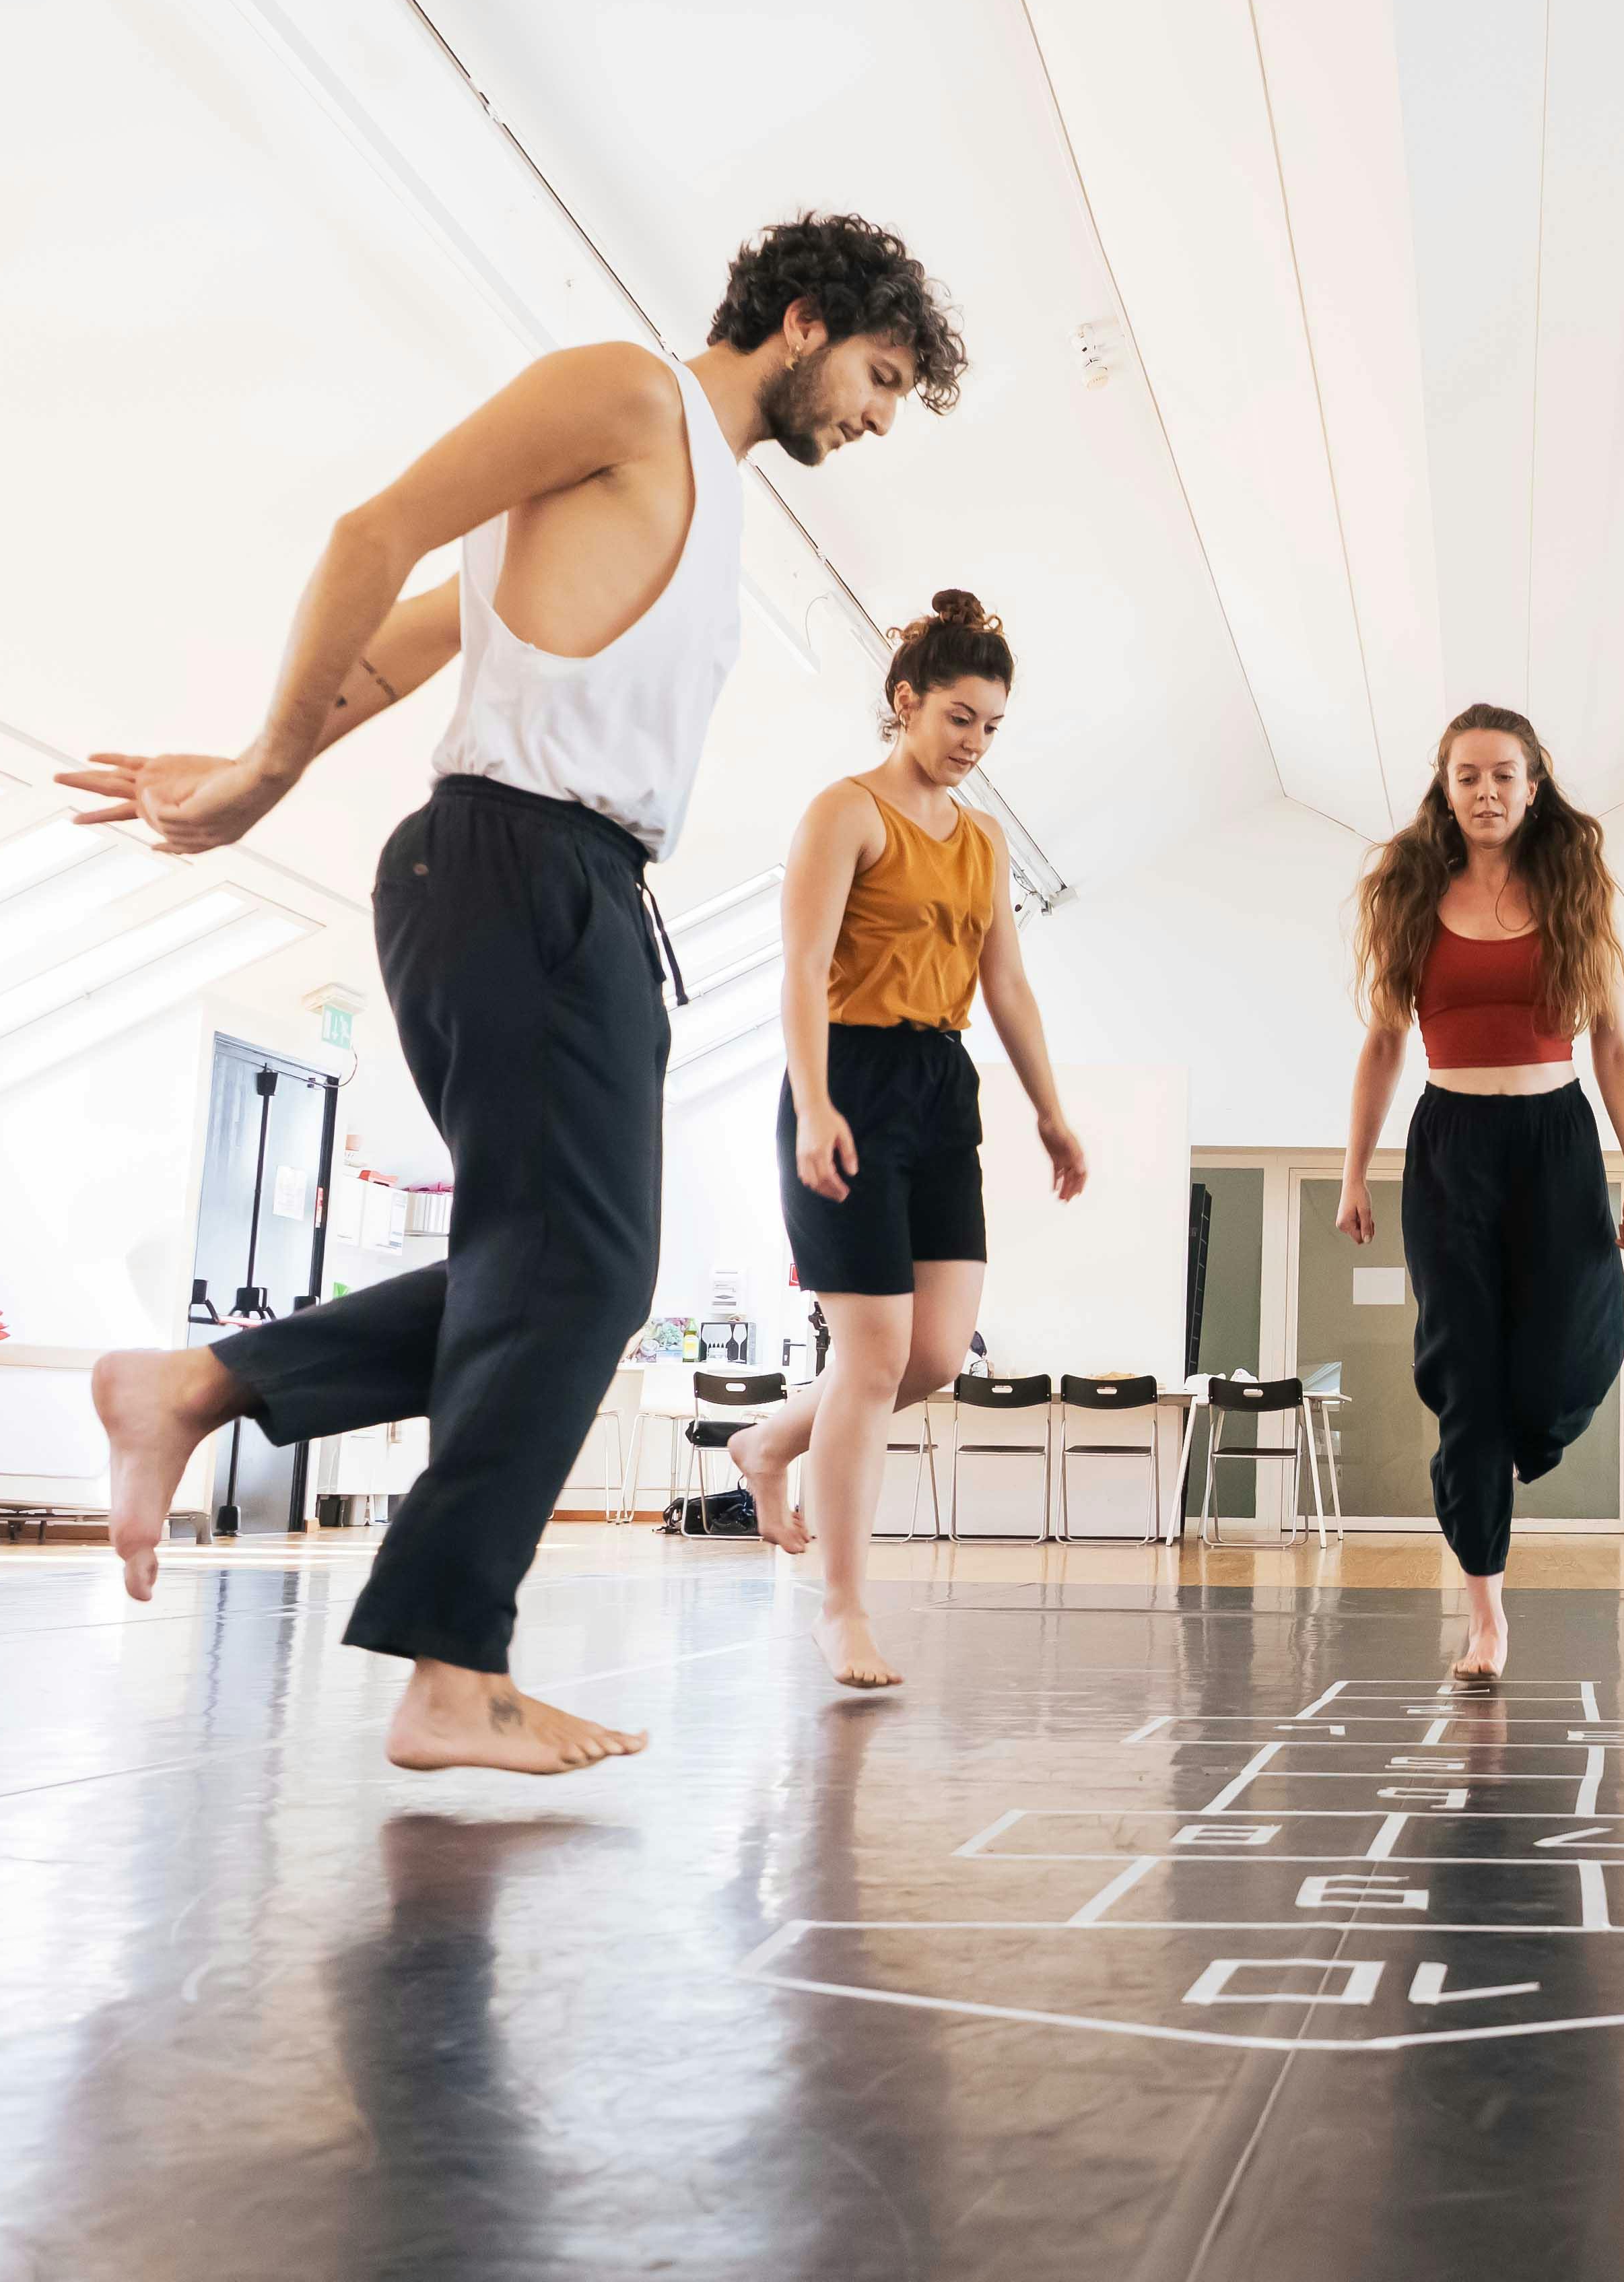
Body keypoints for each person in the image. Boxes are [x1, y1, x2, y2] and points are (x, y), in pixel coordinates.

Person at [65, 213, 967, 1776]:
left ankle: (202, 1385)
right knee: (574, 1272)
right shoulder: (629, 394)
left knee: (562, 1270)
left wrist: (260, 747)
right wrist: (262, 769)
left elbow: (419, 648)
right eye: (880, 376)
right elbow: (376, 537)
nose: (878, 417)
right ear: (807, 320)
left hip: (571, 885)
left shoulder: (700, 499)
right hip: (517, 867)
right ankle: (449, 1665)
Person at [716, 591, 1085, 1689]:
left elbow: (1007, 983)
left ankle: (770, 1441)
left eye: (990, 728)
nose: (972, 744)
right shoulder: (846, 813)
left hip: (940, 1084)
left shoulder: (982, 840)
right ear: (905, 703)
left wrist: (1050, 1108)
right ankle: (842, 1606)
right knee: (870, 1358)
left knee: (930, 1356)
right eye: (959, 718)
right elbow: (799, 969)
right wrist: (816, 1100)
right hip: (849, 1076)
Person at [1339, 706, 1624, 1685]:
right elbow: (1385, 1044)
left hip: (1558, 1141)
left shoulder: (1572, 892)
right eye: (1467, 776)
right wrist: (1355, 1171)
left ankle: (1512, 1444)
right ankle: (1486, 1612)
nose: (1486, 793)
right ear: (1445, 787)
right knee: (1466, 1382)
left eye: (1503, 776)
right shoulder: (1408, 896)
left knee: (1578, 1339)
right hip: (1450, 1149)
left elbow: (1612, 1044)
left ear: (1532, 785)